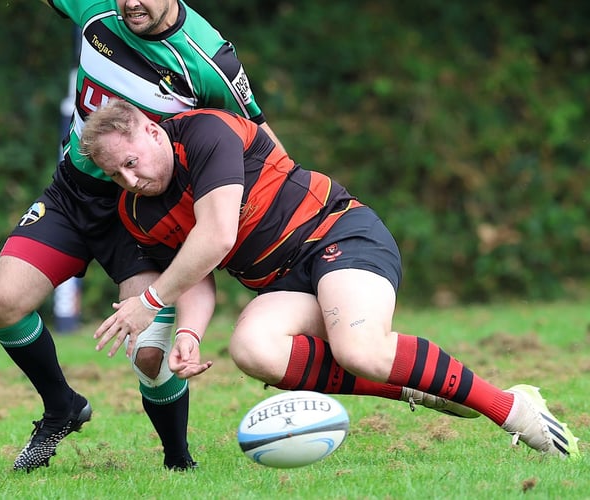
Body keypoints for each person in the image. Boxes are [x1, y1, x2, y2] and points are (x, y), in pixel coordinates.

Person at [83, 99, 580, 459]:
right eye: (114, 175)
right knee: (252, 350)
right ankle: (412, 385)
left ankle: (514, 410)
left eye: (130, 164)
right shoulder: (138, 211)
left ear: (151, 131)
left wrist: (148, 300)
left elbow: (215, 237)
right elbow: (192, 274)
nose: (129, 180)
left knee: (360, 351)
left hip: (337, 234)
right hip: (285, 284)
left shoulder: (205, 133)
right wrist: (188, 334)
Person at [0, 0, 285, 473]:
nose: (131, 3)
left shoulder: (208, 60)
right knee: (2, 303)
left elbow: (264, 146)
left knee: (149, 354)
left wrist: (285, 225)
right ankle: (62, 407)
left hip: (140, 210)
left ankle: (177, 461)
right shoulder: (97, 10)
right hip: (72, 194)